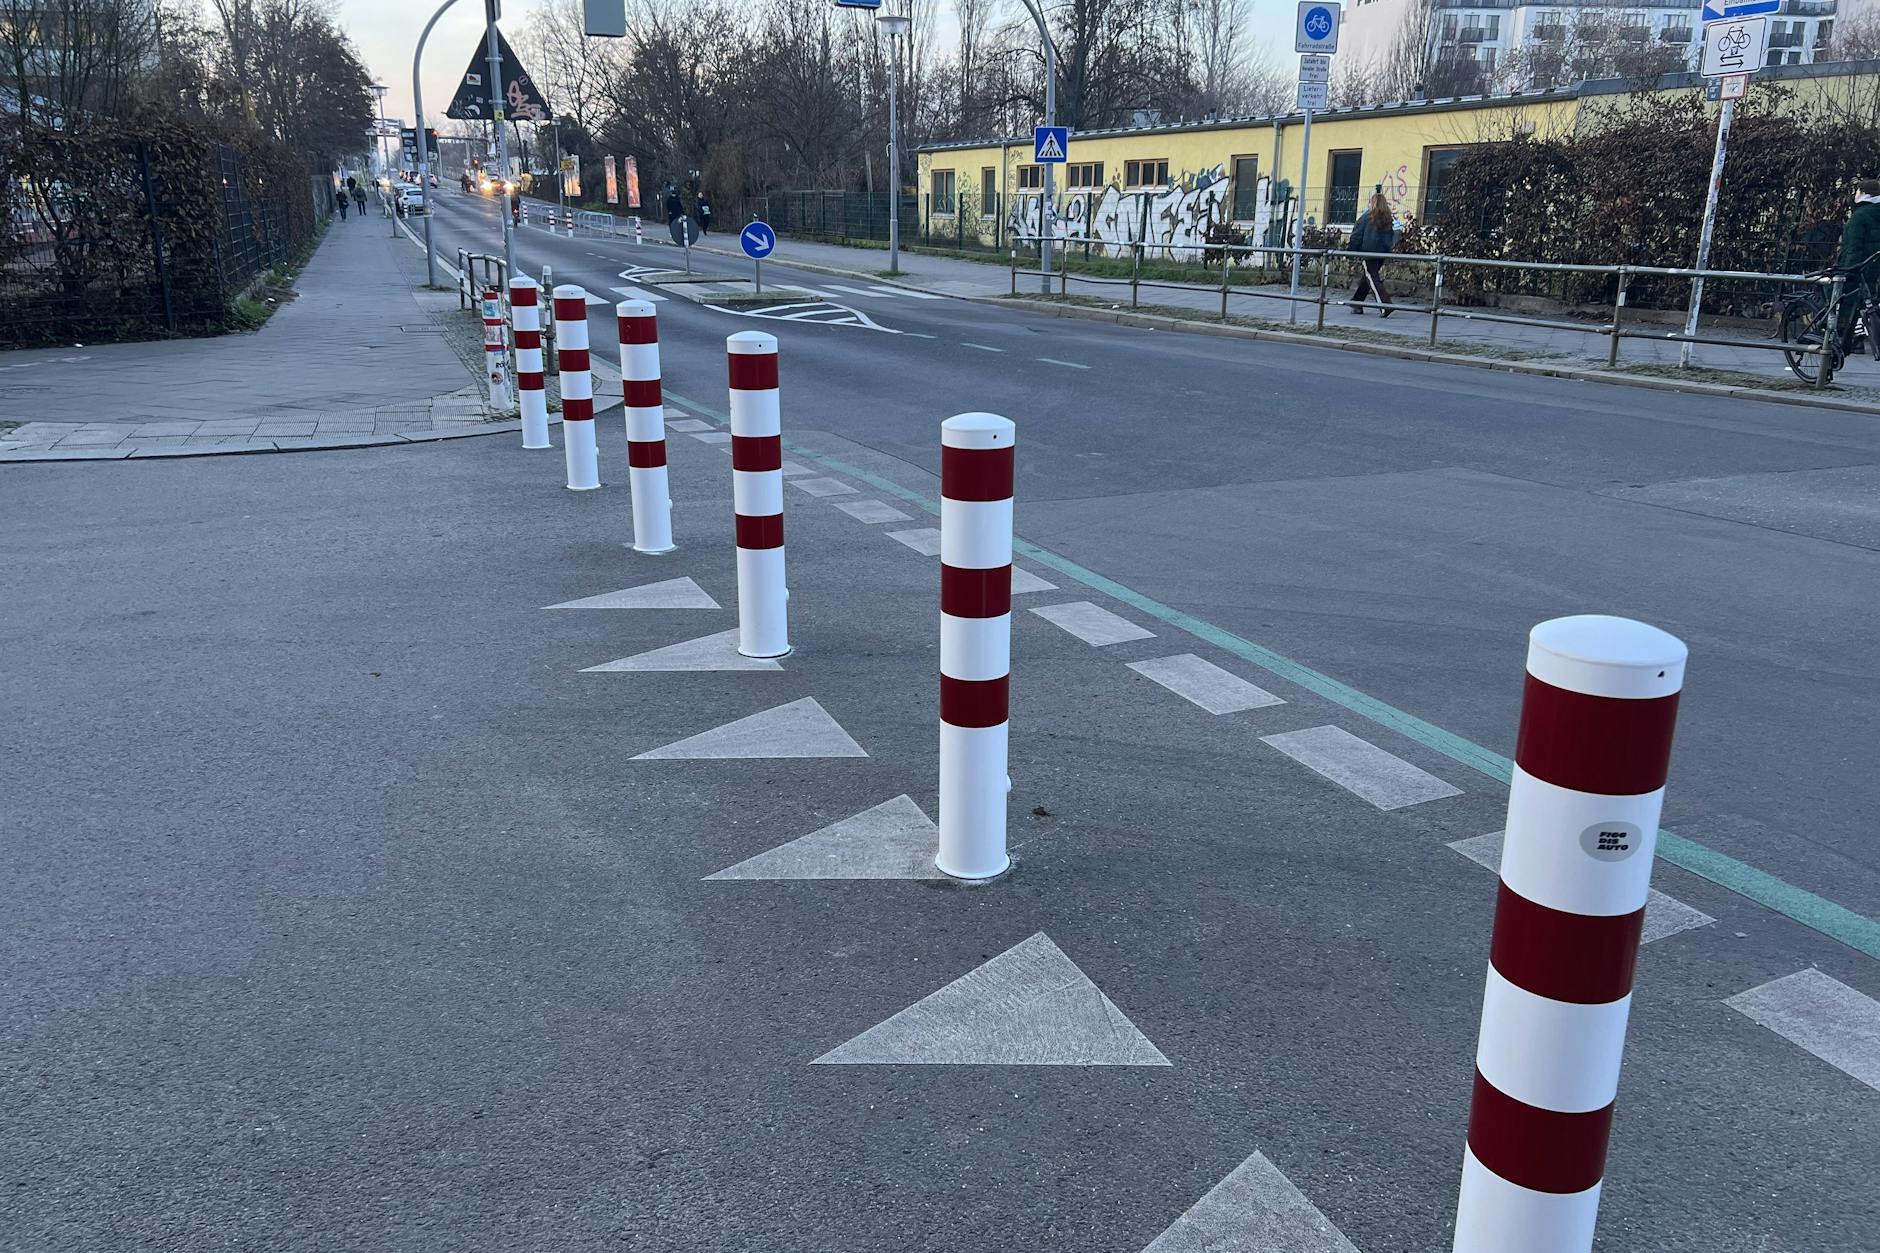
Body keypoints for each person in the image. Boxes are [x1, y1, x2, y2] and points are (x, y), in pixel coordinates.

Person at [1837, 177, 1880, 353]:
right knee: (1865, 302)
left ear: (1862, 193)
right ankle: (1856, 339)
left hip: (1857, 266)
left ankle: (1832, 334)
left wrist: (1847, 270)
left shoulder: (1859, 216)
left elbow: (1854, 247)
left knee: (1842, 298)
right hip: (1874, 265)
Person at [1345, 191, 1396, 317]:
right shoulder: (1388, 218)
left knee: (1372, 279)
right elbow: (1391, 236)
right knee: (1368, 277)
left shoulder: (1366, 217)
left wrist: (1351, 251)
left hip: (1368, 252)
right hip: (1382, 254)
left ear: (1372, 203)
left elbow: (1356, 236)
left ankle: (1385, 305)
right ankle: (1357, 303)